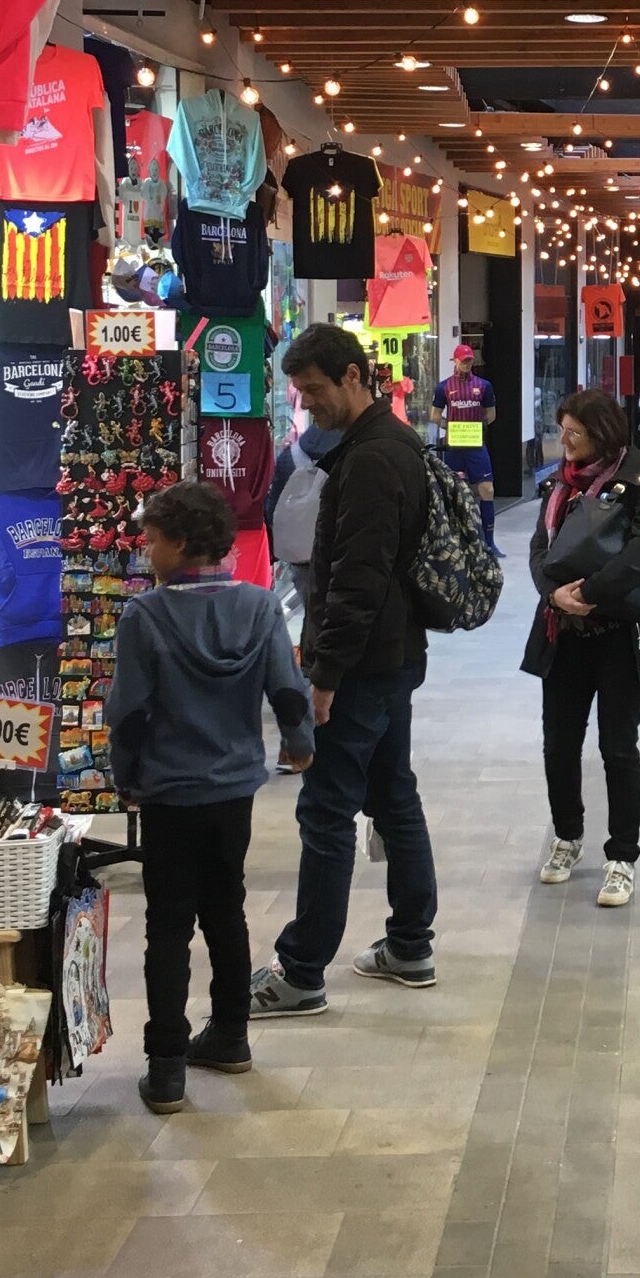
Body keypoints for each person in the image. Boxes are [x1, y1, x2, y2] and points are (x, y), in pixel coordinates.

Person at [107, 482, 315, 1111]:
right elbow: (287, 688)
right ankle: (230, 1035)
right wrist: (300, 743)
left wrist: (126, 776)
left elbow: (129, 712)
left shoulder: (145, 616)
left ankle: (167, 1066)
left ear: (178, 543)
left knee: (168, 924)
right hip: (233, 787)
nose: (145, 551)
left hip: (169, 790)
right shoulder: (259, 607)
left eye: (150, 540)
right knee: (227, 909)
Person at [250, 322, 436, 1018]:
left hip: (362, 666)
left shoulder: (371, 458)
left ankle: (301, 971)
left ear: (353, 376)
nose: (307, 404)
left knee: (325, 809)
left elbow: (356, 583)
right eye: (299, 392)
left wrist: (323, 678)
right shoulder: (385, 443)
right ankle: (410, 945)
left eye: (314, 389)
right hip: (393, 656)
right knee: (392, 795)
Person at [523, 386, 640, 908]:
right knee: (558, 743)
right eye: (562, 430)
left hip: (620, 633)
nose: (564, 441)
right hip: (562, 632)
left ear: (601, 433)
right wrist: (555, 595)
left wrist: (589, 594)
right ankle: (567, 836)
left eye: (574, 433)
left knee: (618, 746)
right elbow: (540, 549)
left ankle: (622, 857)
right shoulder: (560, 483)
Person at [263, 406, 342, 617]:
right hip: (343, 553)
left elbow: (273, 510)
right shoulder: (356, 453)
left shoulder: (290, 456)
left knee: (314, 615)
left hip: (302, 554)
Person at [433, 342, 500, 557]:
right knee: (454, 492)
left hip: (476, 445)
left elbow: (491, 414)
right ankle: (456, 541)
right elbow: (435, 416)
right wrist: (451, 427)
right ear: (455, 361)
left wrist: (478, 427)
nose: (466, 364)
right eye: (463, 361)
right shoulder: (443, 387)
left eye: (469, 360)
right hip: (454, 446)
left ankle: (489, 542)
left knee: (487, 489)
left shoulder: (484, 386)